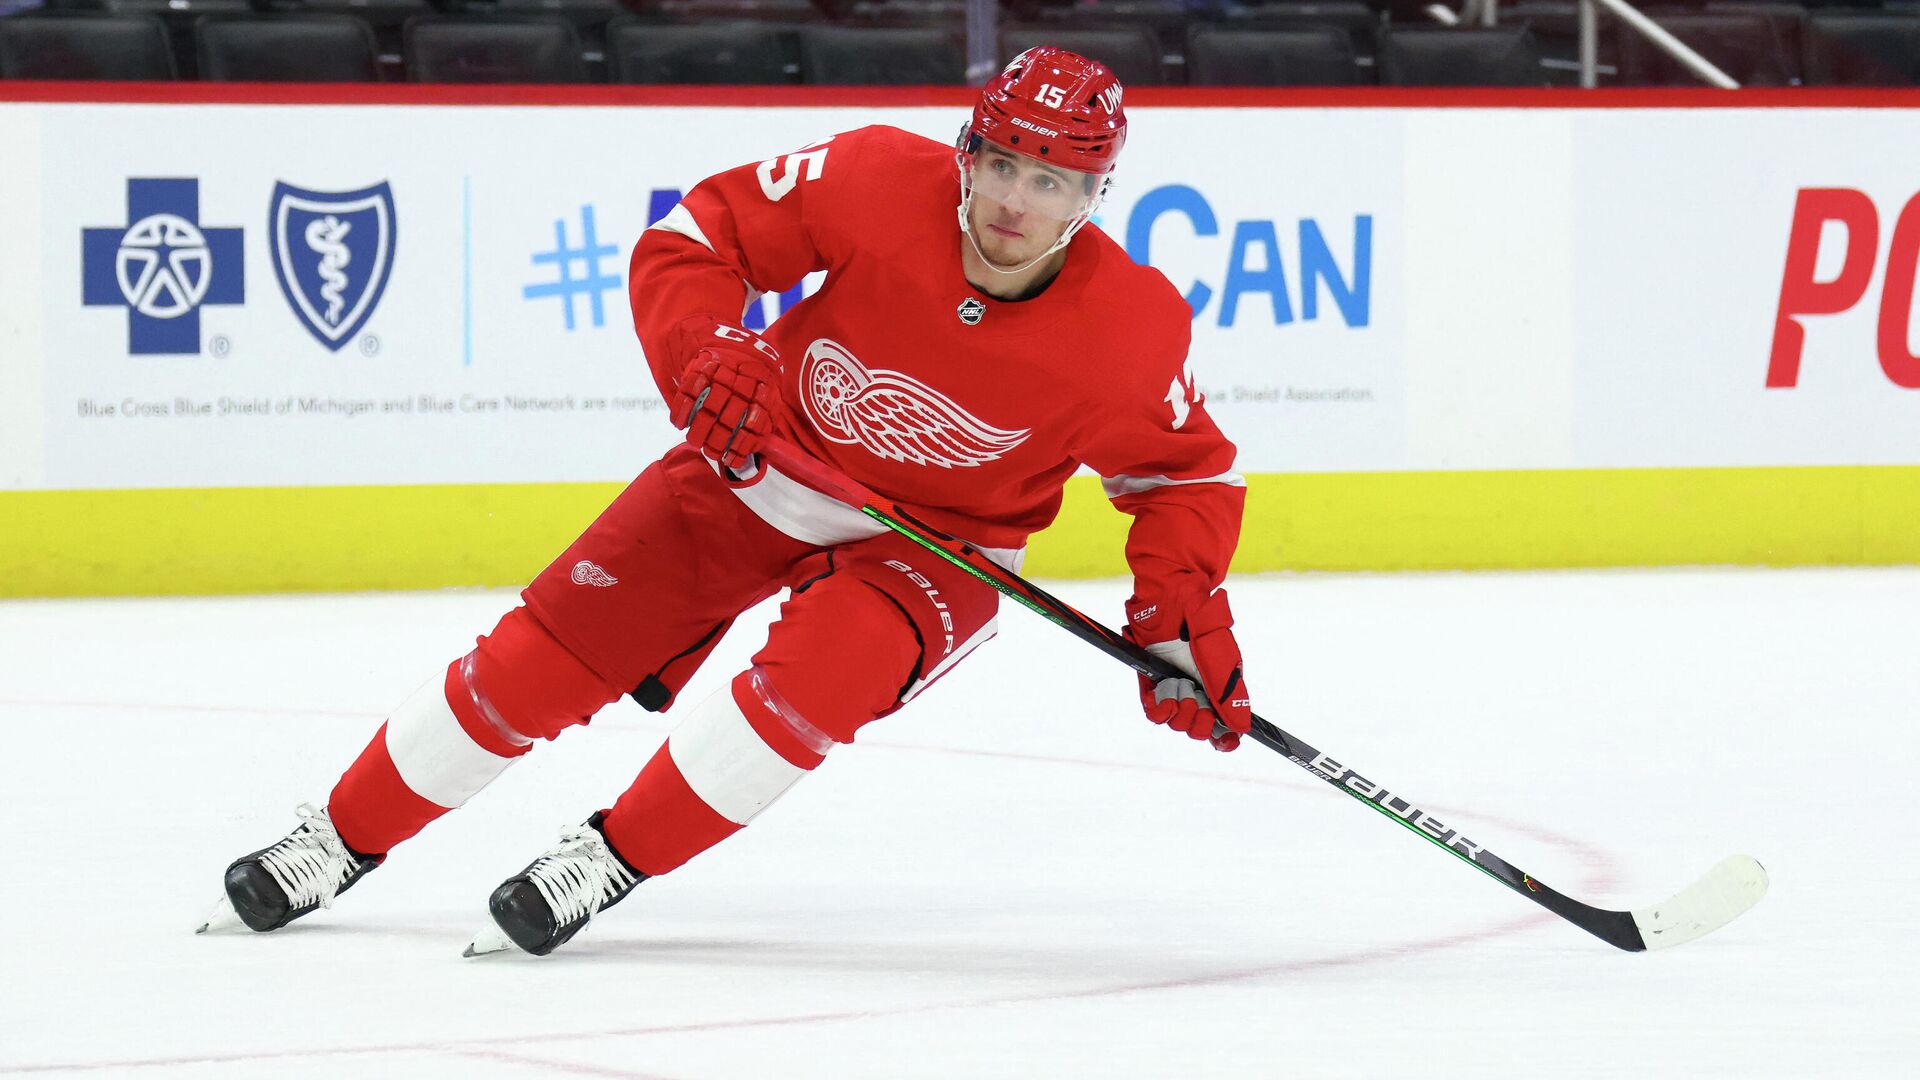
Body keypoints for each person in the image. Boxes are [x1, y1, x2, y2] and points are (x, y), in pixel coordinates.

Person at [201, 46, 1253, 958]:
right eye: (1003, 166)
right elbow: (697, 239)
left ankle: (605, 860)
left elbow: (1186, 475)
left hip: (937, 549)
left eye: (1056, 182)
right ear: (967, 152)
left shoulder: (1130, 328)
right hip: (763, 467)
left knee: (814, 685)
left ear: (1095, 195)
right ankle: (335, 840)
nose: (1019, 203)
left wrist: (1178, 601)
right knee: (529, 668)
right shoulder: (877, 175)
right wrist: (705, 346)